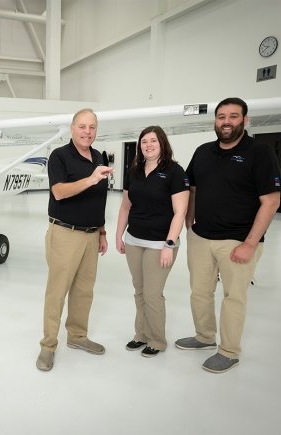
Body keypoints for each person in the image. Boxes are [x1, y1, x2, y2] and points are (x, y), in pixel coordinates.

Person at [175, 97, 281, 373]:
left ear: (245, 121)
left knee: (233, 297)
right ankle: (204, 337)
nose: (226, 122)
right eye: (221, 116)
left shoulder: (260, 152)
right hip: (201, 237)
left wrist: (250, 243)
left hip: (238, 240)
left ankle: (229, 351)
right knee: (200, 292)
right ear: (215, 121)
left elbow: (271, 201)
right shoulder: (202, 152)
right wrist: (189, 223)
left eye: (233, 116)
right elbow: (193, 189)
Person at [36, 108, 114, 372]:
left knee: (84, 291)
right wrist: (91, 179)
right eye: (82, 126)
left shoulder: (98, 156)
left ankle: (78, 336)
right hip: (65, 234)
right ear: (72, 128)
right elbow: (58, 192)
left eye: (92, 127)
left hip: (91, 235)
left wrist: (102, 232)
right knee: (57, 292)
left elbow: (100, 198)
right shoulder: (59, 156)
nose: (87, 132)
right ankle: (48, 346)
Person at [115, 126, 190, 358]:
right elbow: (126, 206)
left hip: (160, 243)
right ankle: (141, 335)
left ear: (162, 143)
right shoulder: (134, 171)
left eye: (153, 141)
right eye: (144, 141)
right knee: (139, 290)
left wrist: (170, 243)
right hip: (135, 240)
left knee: (152, 294)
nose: (148, 145)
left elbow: (180, 211)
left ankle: (157, 340)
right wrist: (119, 234)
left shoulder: (175, 172)